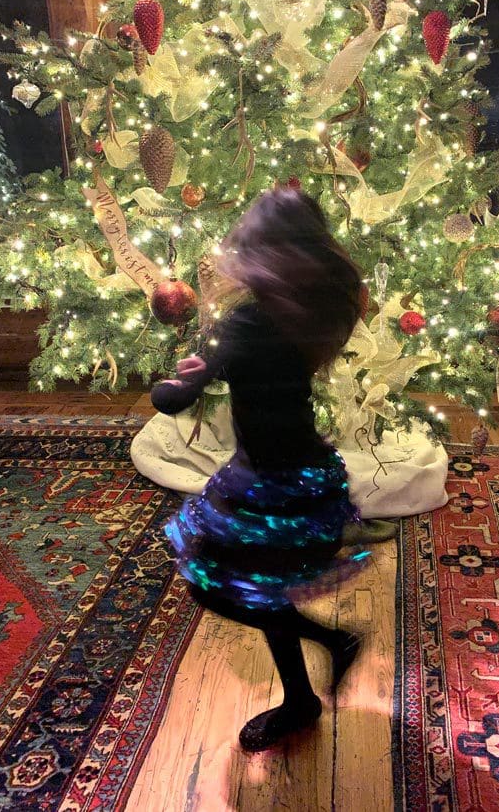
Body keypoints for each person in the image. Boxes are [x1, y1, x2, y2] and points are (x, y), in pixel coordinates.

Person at [151, 186, 371, 752]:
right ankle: (314, 675)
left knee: (218, 585)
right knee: (261, 588)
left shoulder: (247, 324)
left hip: (268, 483)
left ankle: (321, 660)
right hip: (308, 475)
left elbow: (171, 400)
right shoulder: (321, 308)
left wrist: (176, 378)